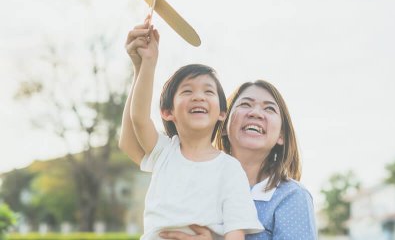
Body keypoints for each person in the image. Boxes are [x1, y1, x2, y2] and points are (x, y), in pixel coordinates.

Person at [119, 18, 263, 240]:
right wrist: (146, 64)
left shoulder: (230, 169)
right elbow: (137, 117)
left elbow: (236, 233)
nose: (198, 96)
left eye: (208, 92)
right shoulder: (164, 152)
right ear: (168, 112)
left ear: (222, 114)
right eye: (187, 91)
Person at [160, 80, 318, 239]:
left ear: (281, 135)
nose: (255, 113)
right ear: (224, 125)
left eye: (269, 108)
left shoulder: (292, 196)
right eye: (245, 104)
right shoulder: (194, 182)